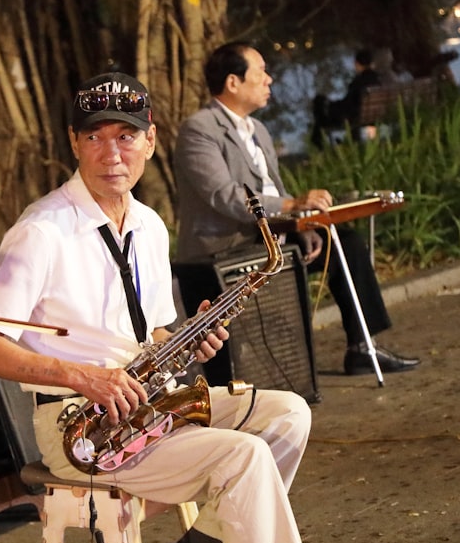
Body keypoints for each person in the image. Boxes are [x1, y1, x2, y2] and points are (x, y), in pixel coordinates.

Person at [0, 70, 361, 543]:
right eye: (96, 137)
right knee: (243, 456)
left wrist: (187, 340)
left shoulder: (148, 224)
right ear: (74, 143)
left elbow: (149, 332)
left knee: (287, 415)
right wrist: (81, 375)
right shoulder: (42, 232)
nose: (111, 153)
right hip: (77, 426)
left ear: (149, 141)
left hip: (147, 403)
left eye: (126, 136)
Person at [174, 42, 419, 376]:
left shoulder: (258, 130)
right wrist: (293, 205)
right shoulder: (199, 129)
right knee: (327, 247)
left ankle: (362, 347)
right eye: (261, 71)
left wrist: (303, 226)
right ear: (233, 82)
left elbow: (276, 190)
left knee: (344, 243)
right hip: (227, 246)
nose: (269, 79)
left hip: (271, 238)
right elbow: (224, 195)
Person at [311, 48, 382, 147]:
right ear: (371, 63)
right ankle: (322, 141)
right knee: (322, 109)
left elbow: (347, 105)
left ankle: (319, 142)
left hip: (353, 118)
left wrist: (330, 104)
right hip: (370, 116)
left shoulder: (359, 82)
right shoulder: (377, 80)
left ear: (357, 64)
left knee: (319, 105)